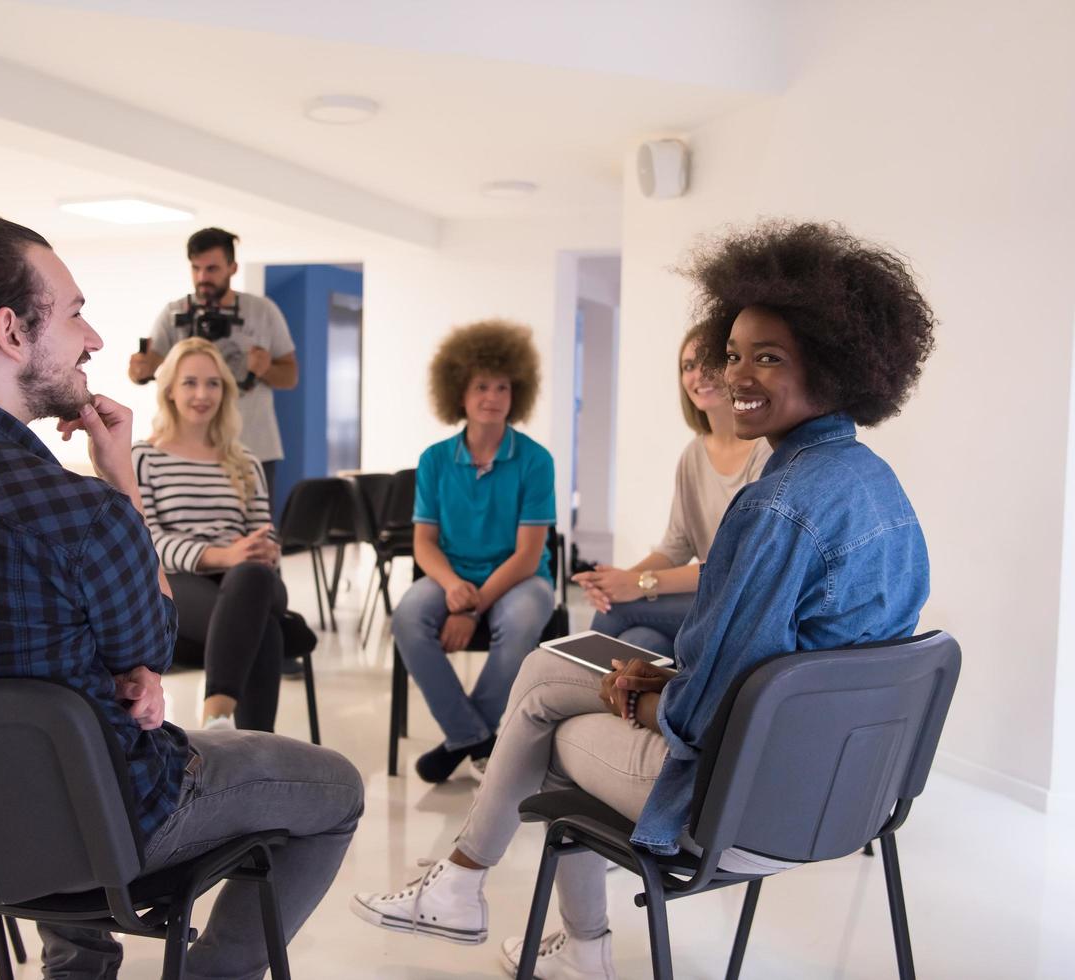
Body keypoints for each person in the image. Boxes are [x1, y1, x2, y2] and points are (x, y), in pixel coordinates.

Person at [352, 220, 936, 979]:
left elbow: (701, 718)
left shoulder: (775, 506)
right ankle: (471, 891)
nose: (736, 377)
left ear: (832, 362)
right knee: (557, 672)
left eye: (768, 357)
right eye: (731, 356)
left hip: (742, 805)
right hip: (848, 797)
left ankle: (540, 928)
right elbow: (793, 664)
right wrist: (665, 679)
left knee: (552, 735)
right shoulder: (877, 486)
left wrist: (643, 698)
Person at [0, 212, 363, 980]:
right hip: (91, 833)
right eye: (73, 313)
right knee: (335, 787)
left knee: (62, 711)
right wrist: (120, 479)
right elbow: (149, 647)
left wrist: (105, 667)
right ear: (9, 331)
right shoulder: (76, 511)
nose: (94, 339)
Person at [392, 319, 557, 783]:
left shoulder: (535, 460)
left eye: (502, 387)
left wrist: (471, 608)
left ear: (516, 394)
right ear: (458, 393)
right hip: (451, 573)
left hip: (520, 578)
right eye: (481, 386)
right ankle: (475, 737)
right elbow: (423, 543)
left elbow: (528, 555)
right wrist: (451, 588)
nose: (492, 396)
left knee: (523, 620)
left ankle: (464, 737)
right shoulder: (435, 460)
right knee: (407, 616)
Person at [572, 328, 771, 656]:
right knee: (640, 643)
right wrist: (618, 579)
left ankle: (566, 689)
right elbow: (676, 545)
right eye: (688, 366)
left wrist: (639, 585)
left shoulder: (764, 451)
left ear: (732, 369)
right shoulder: (693, 455)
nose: (698, 375)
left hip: (743, 604)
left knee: (617, 610)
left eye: (709, 363)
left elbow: (733, 562)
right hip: (704, 599)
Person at [134, 337, 288, 732]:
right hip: (176, 583)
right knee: (264, 630)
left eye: (213, 383)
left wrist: (264, 552)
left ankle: (217, 719)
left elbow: (262, 535)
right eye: (190, 383)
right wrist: (224, 556)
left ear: (226, 391)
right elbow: (147, 544)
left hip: (249, 580)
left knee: (253, 578)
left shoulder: (246, 461)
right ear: (169, 389)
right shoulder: (145, 458)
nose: (202, 394)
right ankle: (255, 749)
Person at [128, 227, 297, 499]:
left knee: (253, 534)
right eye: (196, 269)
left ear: (232, 268)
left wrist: (265, 369)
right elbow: (145, 369)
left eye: (212, 269)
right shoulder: (175, 313)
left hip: (252, 447)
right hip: (186, 447)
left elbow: (290, 376)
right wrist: (138, 370)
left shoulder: (262, 312)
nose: (202, 278)